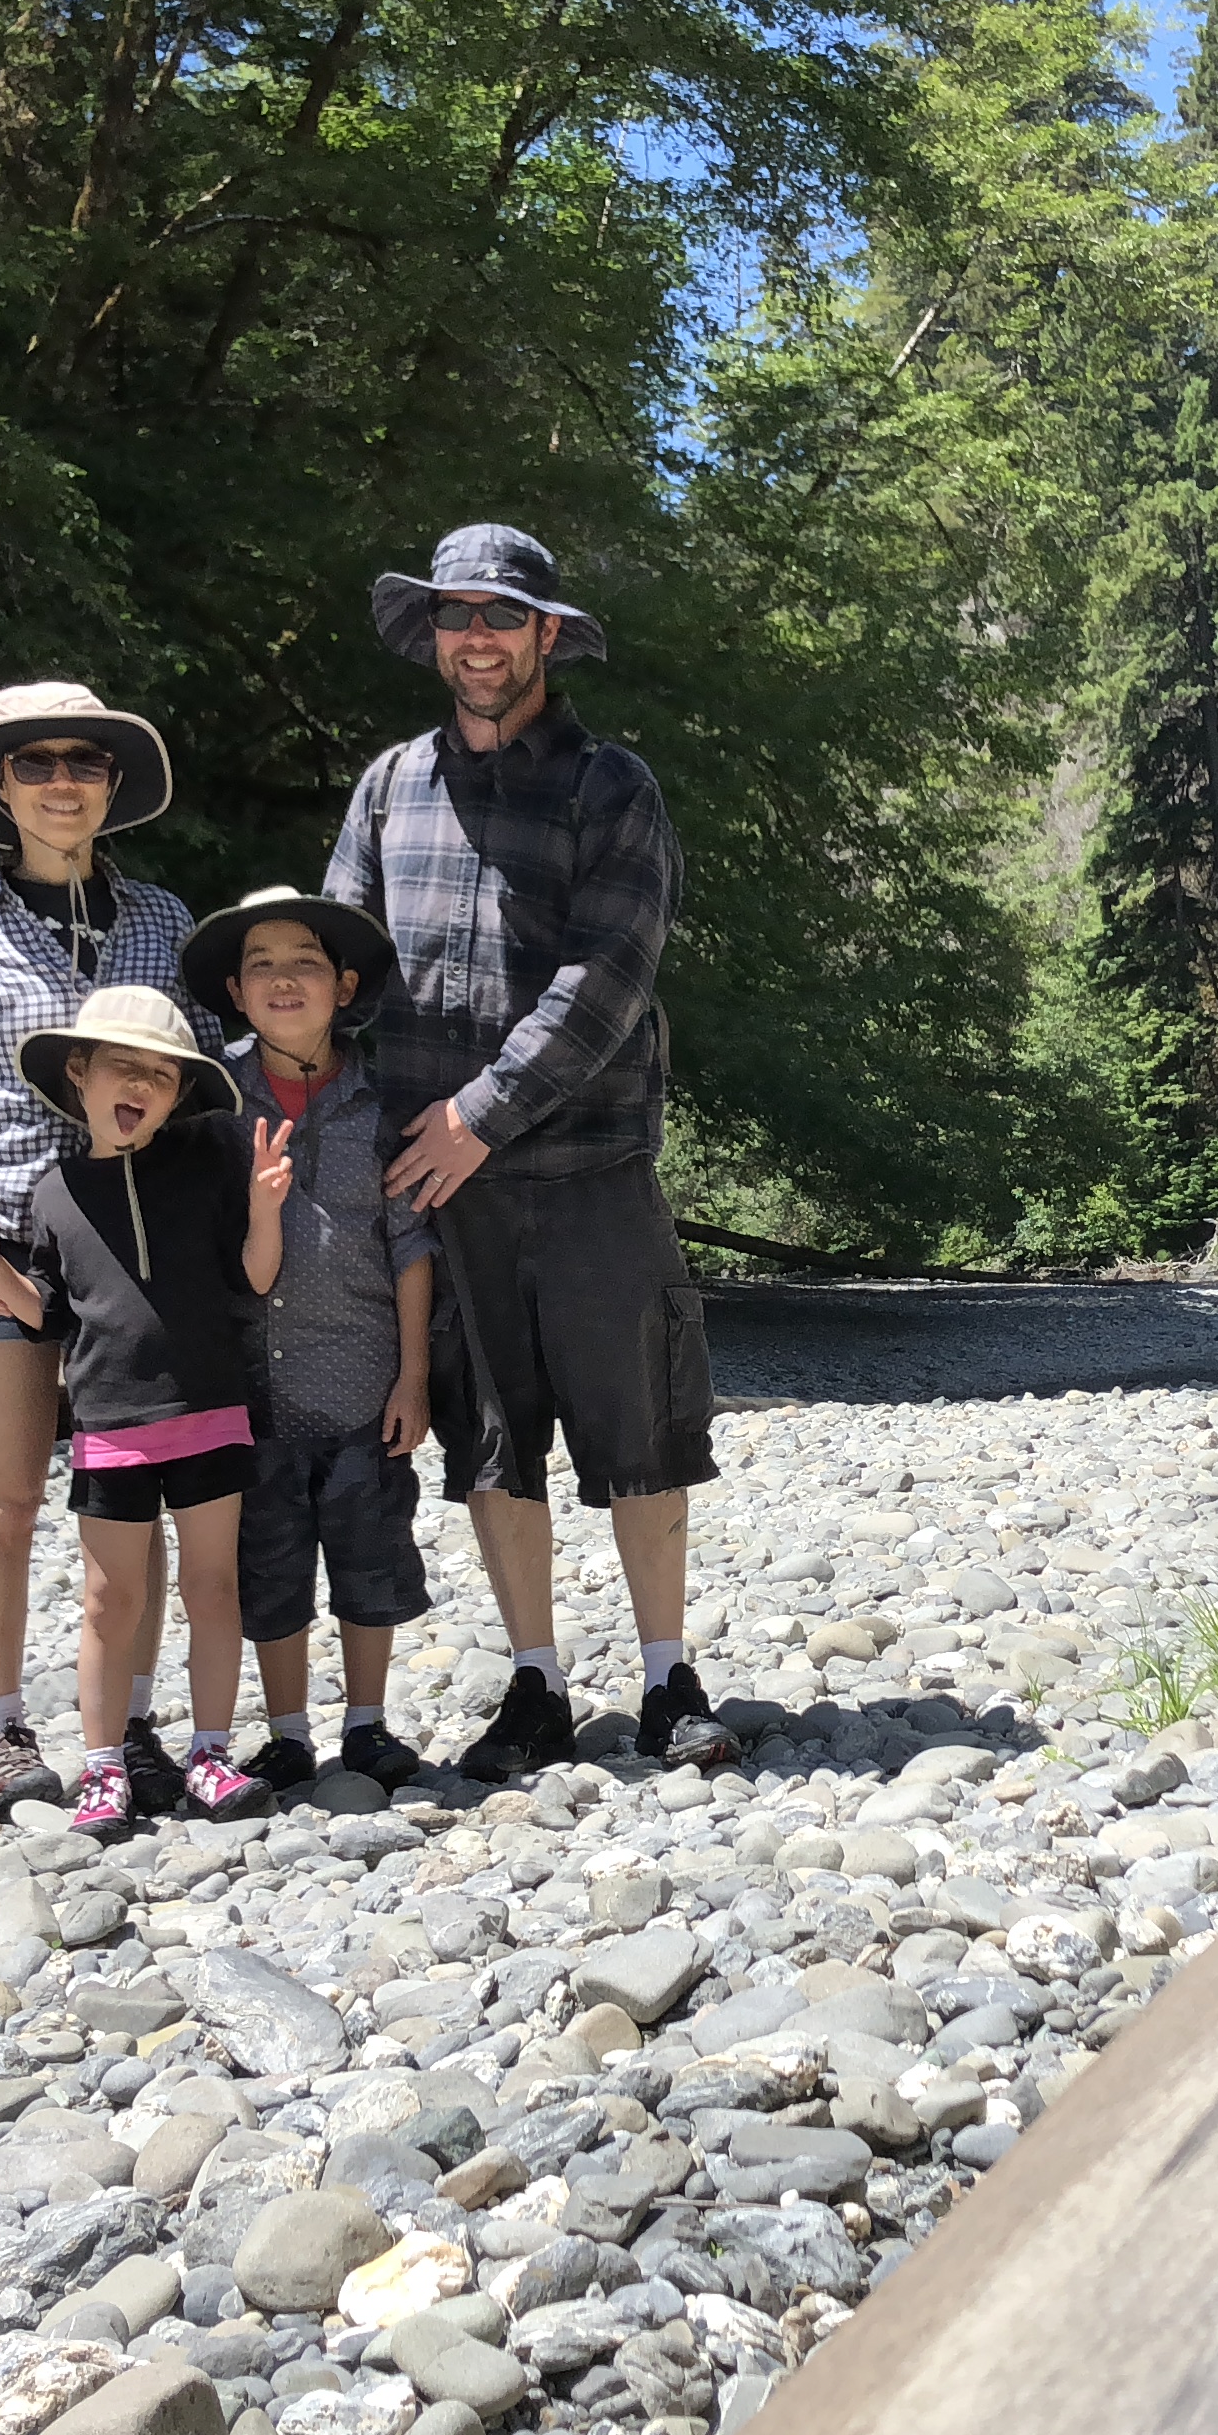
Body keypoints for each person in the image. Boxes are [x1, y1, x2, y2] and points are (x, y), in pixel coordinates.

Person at [329, 523, 731, 1781]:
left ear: (547, 636)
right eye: (457, 616)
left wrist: (478, 1115)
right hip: (440, 1194)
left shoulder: (617, 788)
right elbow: (336, 963)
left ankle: (670, 1679)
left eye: (503, 617)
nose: (480, 638)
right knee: (490, 1446)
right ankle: (536, 1683)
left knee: (640, 1433)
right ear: (434, 637)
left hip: (594, 1170)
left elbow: (607, 980)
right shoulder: (388, 787)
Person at [0, 681, 216, 1819]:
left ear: (114, 785)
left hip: (135, 1247)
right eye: (36, 764)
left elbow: (201, 1078)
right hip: (1, 1242)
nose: (62, 781)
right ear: (1, 786)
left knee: (136, 1500)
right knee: (3, 1503)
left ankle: (125, 1726)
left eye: (84, 761)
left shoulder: (165, 922)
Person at [0, 983, 293, 1833]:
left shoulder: (205, 1166)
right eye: (123, 1068)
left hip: (209, 1412)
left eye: (163, 1078)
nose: (141, 1086)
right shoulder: (54, 1191)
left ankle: (209, 1753)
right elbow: (51, 1313)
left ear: (178, 1097)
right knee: (109, 1601)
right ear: (79, 1074)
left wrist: (267, 1210)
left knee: (213, 1591)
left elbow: (255, 1276)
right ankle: (103, 1767)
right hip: (110, 1429)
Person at [181, 885, 440, 1792]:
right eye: (262, 967)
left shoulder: (383, 1100)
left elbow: (410, 1243)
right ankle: (287, 1731)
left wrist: (415, 1379)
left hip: (368, 1378)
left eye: (304, 964)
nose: (284, 980)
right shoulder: (212, 1098)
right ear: (236, 993)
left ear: (344, 984)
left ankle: (366, 1724)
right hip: (249, 1390)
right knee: (270, 1560)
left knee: (372, 1553)